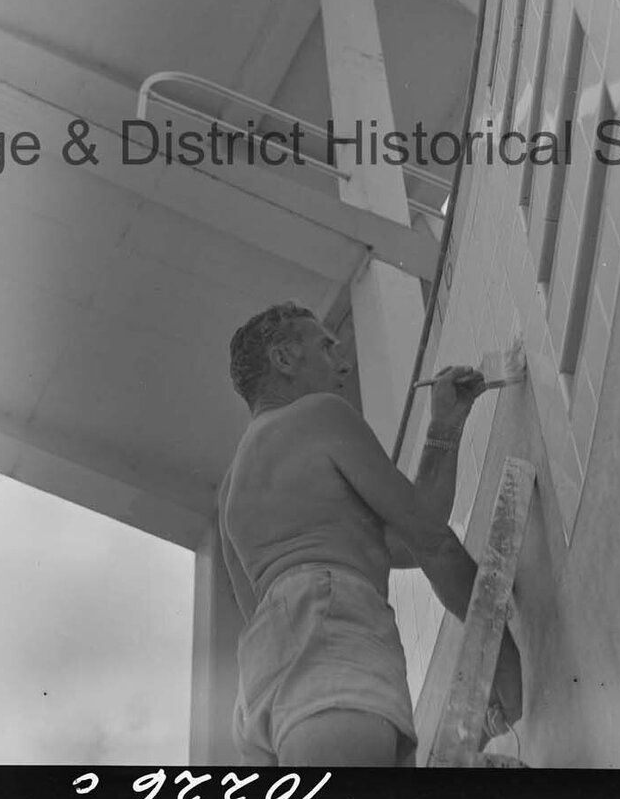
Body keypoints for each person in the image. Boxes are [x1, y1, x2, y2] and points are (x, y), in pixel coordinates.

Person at [219, 301, 523, 767]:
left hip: (264, 690)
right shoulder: (318, 414)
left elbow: (397, 544)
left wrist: (445, 425)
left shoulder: (230, 493)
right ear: (283, 359)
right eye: (326, 347)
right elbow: (431, 542)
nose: (342, 364)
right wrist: (502, 658)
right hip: (331, 641)